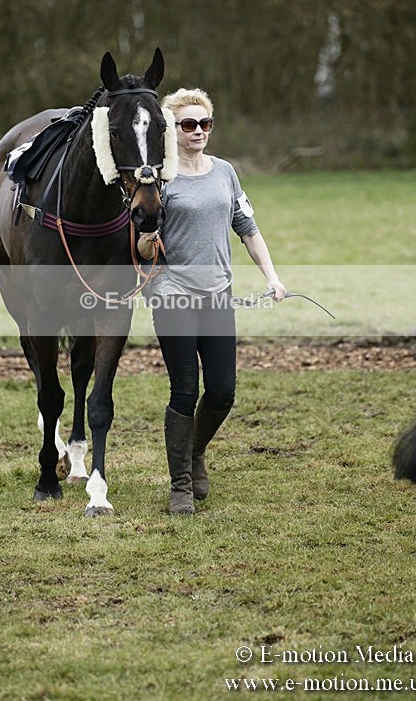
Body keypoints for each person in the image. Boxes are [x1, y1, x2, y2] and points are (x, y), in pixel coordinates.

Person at [138, 88, 286, 515]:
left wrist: (272, 277)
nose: (198, 131)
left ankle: (195, 451)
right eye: (188, 124)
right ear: (172, 130)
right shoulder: (159, 180)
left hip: (218, 293)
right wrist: (148, 242)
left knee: (222, 391)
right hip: (172, 295)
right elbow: (143, 249)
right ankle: (180, 485)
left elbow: (248, 228)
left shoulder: (225, 172)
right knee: (185, 390)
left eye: (204, 123)